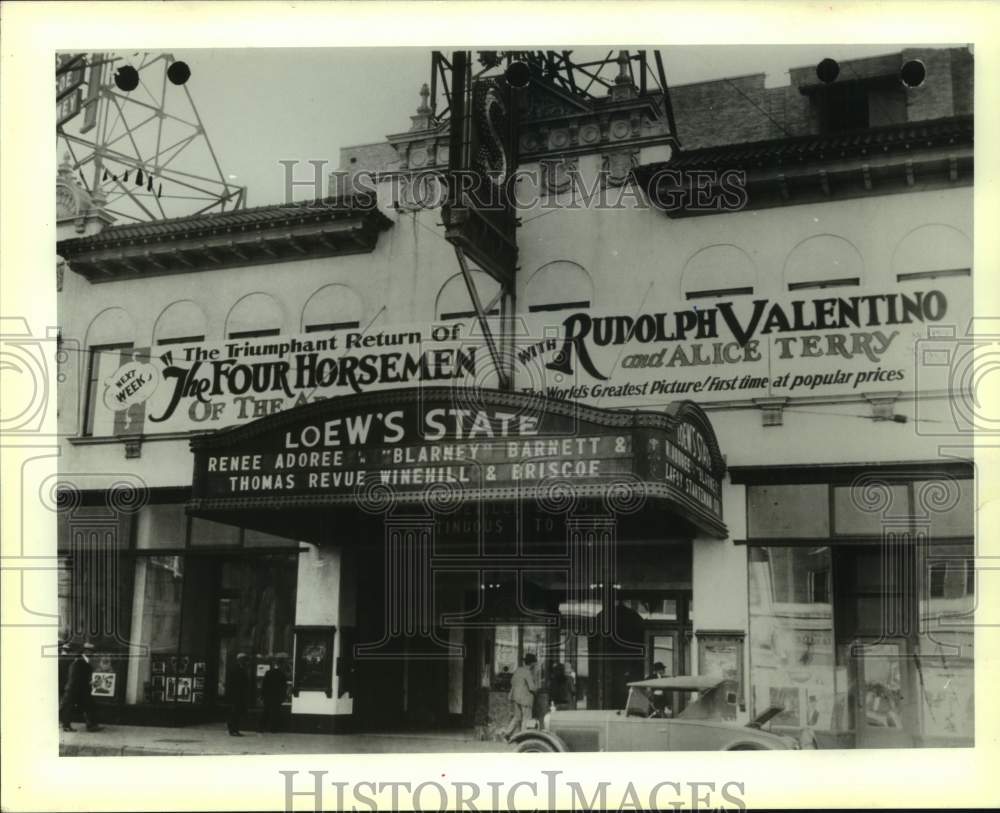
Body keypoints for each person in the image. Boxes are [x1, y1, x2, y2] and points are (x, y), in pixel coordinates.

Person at [60, 642, 100, 732]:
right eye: (91, 651)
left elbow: (82, 676)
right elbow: (75, 676)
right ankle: (66, 726)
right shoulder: (78, 661)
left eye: (93, 652)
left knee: (89, 705)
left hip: (80, 688)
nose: (92, 653)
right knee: (68, 707)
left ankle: (91, 725)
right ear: (85, 651)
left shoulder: (84, 660)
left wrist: (90, 682)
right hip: (75, 688)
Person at [500, 652, 537, 741]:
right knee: (526, 718)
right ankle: (523, 738)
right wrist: (537, 689)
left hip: (516, 698)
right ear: (532, 663)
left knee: (517, 717)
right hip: (526, 698)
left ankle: (507, 734)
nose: (535, 665)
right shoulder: (528, 672)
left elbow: (512, 682)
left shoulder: (518, 670)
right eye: (535, 663)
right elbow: (532, 687)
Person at [259, 658, 288, 733]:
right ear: (281, 665)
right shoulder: (282, 674)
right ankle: (273, 728)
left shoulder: (268, 672)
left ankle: (261, 727)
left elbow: (264, 685)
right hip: (277, 696)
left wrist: (262, 695)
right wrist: (283, 696)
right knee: (275, 713)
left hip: (268, 696)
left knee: (266, 711)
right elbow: (284, 687)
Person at [226, 653, 250, 736]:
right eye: (244, 660)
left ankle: (235, 729)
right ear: (240, 660)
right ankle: (232, 729)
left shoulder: (243, 669)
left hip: (240, 695)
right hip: (236, 695)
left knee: (238, 712)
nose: (246, 662)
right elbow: (231, 683)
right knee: (234, 712)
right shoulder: (235, 669)